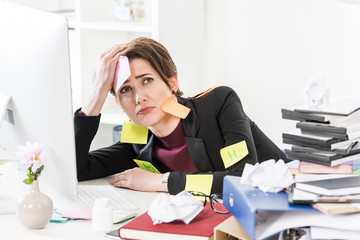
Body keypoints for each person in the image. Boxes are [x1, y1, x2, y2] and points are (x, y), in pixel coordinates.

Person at [74, 37, 287, 195]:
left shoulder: (217, 103)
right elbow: (77, 169)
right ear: (118, 103)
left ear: (172, 83)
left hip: (287, 206)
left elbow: (242, 179)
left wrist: (161, 182)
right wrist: (98, 92)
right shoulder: (139, 138)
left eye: (146, 80)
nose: (139, 97)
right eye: (125, 90)